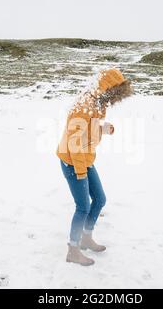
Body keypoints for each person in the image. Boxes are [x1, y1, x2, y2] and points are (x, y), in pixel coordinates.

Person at [57, 69, 134, 266]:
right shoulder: (84, 107)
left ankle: (86, 238)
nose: (115, 99)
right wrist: (81, 172)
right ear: (107, 89)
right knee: (82, 207)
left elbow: (87, 130)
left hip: (85, 158)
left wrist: (103, 129)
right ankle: (73, 250)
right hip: (73, 161)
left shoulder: (96, 104)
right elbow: (74, 142)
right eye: (115, 93)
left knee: (99, 199)